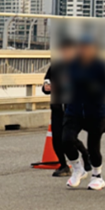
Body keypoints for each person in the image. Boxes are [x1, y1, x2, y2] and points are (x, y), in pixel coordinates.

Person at [62, 36, 105, 190]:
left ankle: (97, 175)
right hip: (75, 109)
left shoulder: (100, 66)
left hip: (96, 111)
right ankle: (78, 169)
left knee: (93, 147)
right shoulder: (72, 64)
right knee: (66, 139)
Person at [42, 38, 77, 178]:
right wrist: (46, 87)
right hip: (57, 107)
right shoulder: (56, 66)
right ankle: (63, 165)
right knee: (57, 138)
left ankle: (83, 159)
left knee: (69, 138)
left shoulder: (78, 67)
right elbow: (47, 81)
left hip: (72, 108)